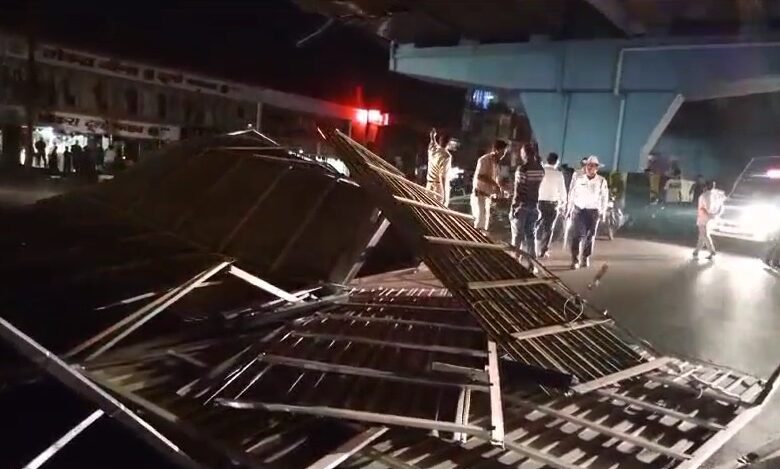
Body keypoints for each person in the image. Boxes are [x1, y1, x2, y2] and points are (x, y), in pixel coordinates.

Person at [567, 155, 609, 269]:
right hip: (579, 210)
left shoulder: (601, 181)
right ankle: (574, 259)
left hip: (593, 211)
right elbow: (571, 193)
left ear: (597, 168)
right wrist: (568, 209)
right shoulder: (578, 177)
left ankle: (585, 257)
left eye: (592, 166)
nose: (589, 168)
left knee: (590, 236)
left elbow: (605, 197)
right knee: (577, 235)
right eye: (588, 165)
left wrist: (603, 213)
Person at [510, 141, 545, 264]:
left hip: (522, 206)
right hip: (534, 205)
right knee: (530, 235)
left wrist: (515, 206)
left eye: (521, 152)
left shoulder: (522, 168)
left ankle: (515, 259)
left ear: (524, 153)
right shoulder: (541, 169)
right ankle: (532, 263)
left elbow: (519, 189)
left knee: (517, 234)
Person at [471, 140, 509, 232]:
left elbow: (495, 180)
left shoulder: (496, 164)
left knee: (484, 225)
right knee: (480, 224)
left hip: (487, 197)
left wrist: (502, 189)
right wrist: (496, 185)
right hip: (479, 195)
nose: (503, 155)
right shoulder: (484, 159)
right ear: (496, 150)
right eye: (502, 152)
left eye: (505, 152)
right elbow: (480, 176)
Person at [537, 152, 567, 257]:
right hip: (552, 204)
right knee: (548, 228)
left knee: (534, 225)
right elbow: (562, 191)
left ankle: (531, 247)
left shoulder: (540, 171)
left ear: (547, 160)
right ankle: (543, 250)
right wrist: (563, 203)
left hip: (538, 202)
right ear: (557, 162)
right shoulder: (558, 174)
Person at [693, 180, 725, 260]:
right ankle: (696, 251)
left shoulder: (703, 196)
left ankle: (712, 251)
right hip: (714, 217)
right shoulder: (718, 194)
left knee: (704, 235)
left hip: (704, 218)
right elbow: (722, 206)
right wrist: (716, 214)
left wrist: (708, 215)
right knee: (702, 235)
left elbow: (702, 208)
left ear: (705, 186)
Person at [426, 128, 453, 205]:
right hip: (438, 187)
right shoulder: (447, 156)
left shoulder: (432, 149)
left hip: (429, 185)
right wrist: (444, 195)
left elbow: (432, 142)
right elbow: (443, 177)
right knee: (439, 212)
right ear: (449, 143)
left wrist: (432, 136)